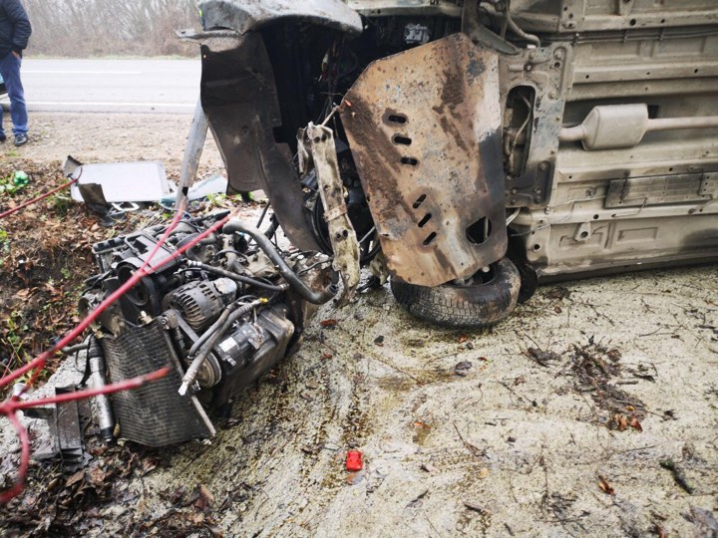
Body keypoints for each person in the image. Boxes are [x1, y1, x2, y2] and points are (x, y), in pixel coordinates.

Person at [0, 0, 31, 147]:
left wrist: (16, 49)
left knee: (15, 94)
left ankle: (20, 131)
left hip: (7, 55)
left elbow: (23, 23)